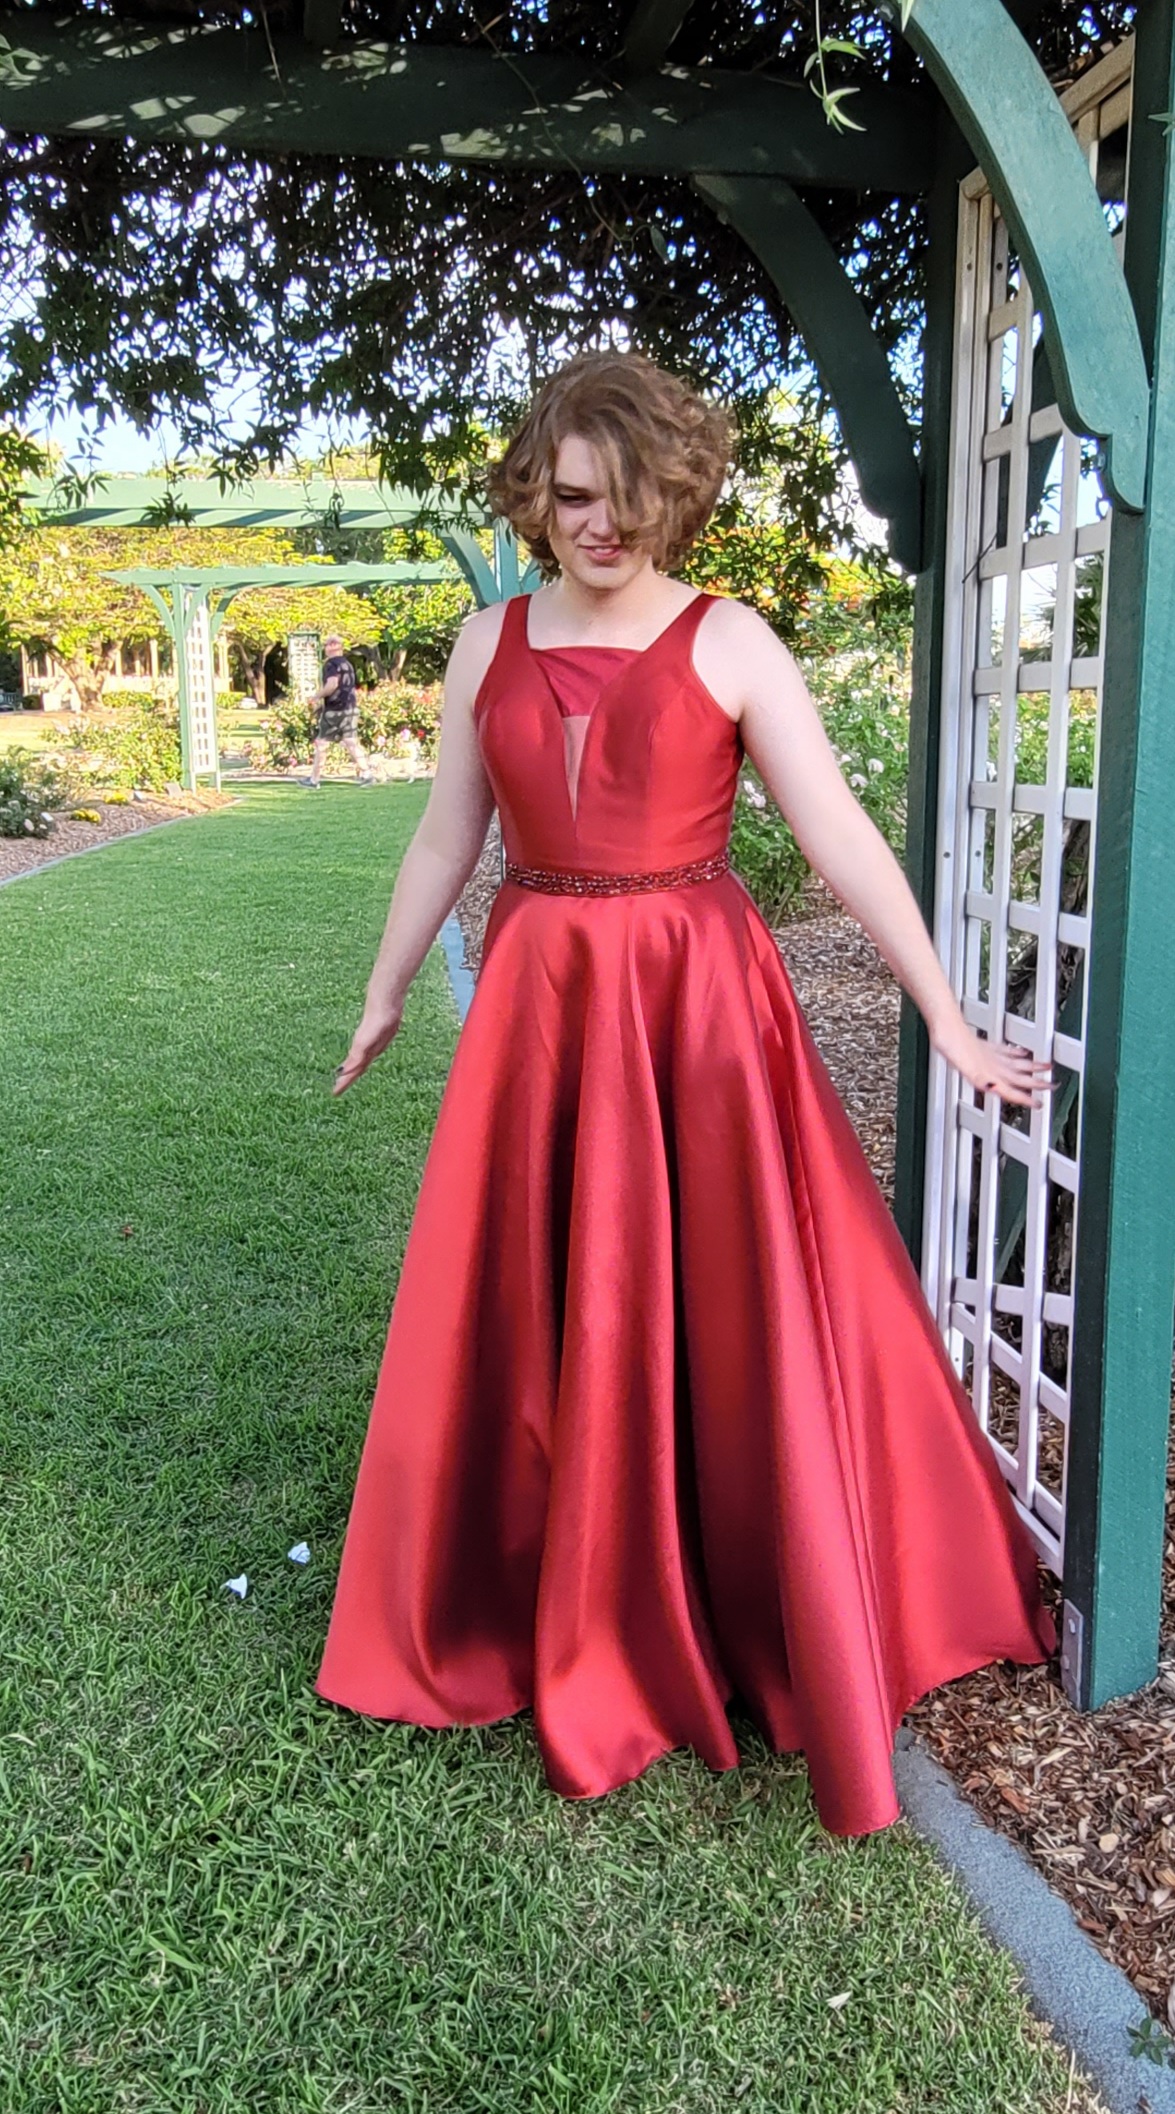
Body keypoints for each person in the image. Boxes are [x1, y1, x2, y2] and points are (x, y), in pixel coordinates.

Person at [315, 351, 1055, 1837]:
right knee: (545, 1303)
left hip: (699, 1012)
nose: (602, 527)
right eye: (574, 497)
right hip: (537, 1001)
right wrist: (388, 985)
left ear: (675, 488)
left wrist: (950, 1023)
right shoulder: (484, 641)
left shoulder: (731, 641)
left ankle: (738, 1593)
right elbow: (440, 840)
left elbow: (838, 836)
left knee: (729, 1308)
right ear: (537, 488)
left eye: (632, 499)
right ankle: (550, 1598)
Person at [304, 634, 373, 786]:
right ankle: (366, 773)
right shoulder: (347, 664)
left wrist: (316, 697)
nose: (325, 648)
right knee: (350, 741)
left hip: (334, 710)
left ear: (333, 646)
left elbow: (332, 684)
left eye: (327, 645)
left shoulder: (331, 664)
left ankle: (314, 780)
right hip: (349, 707)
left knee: (322, 744)